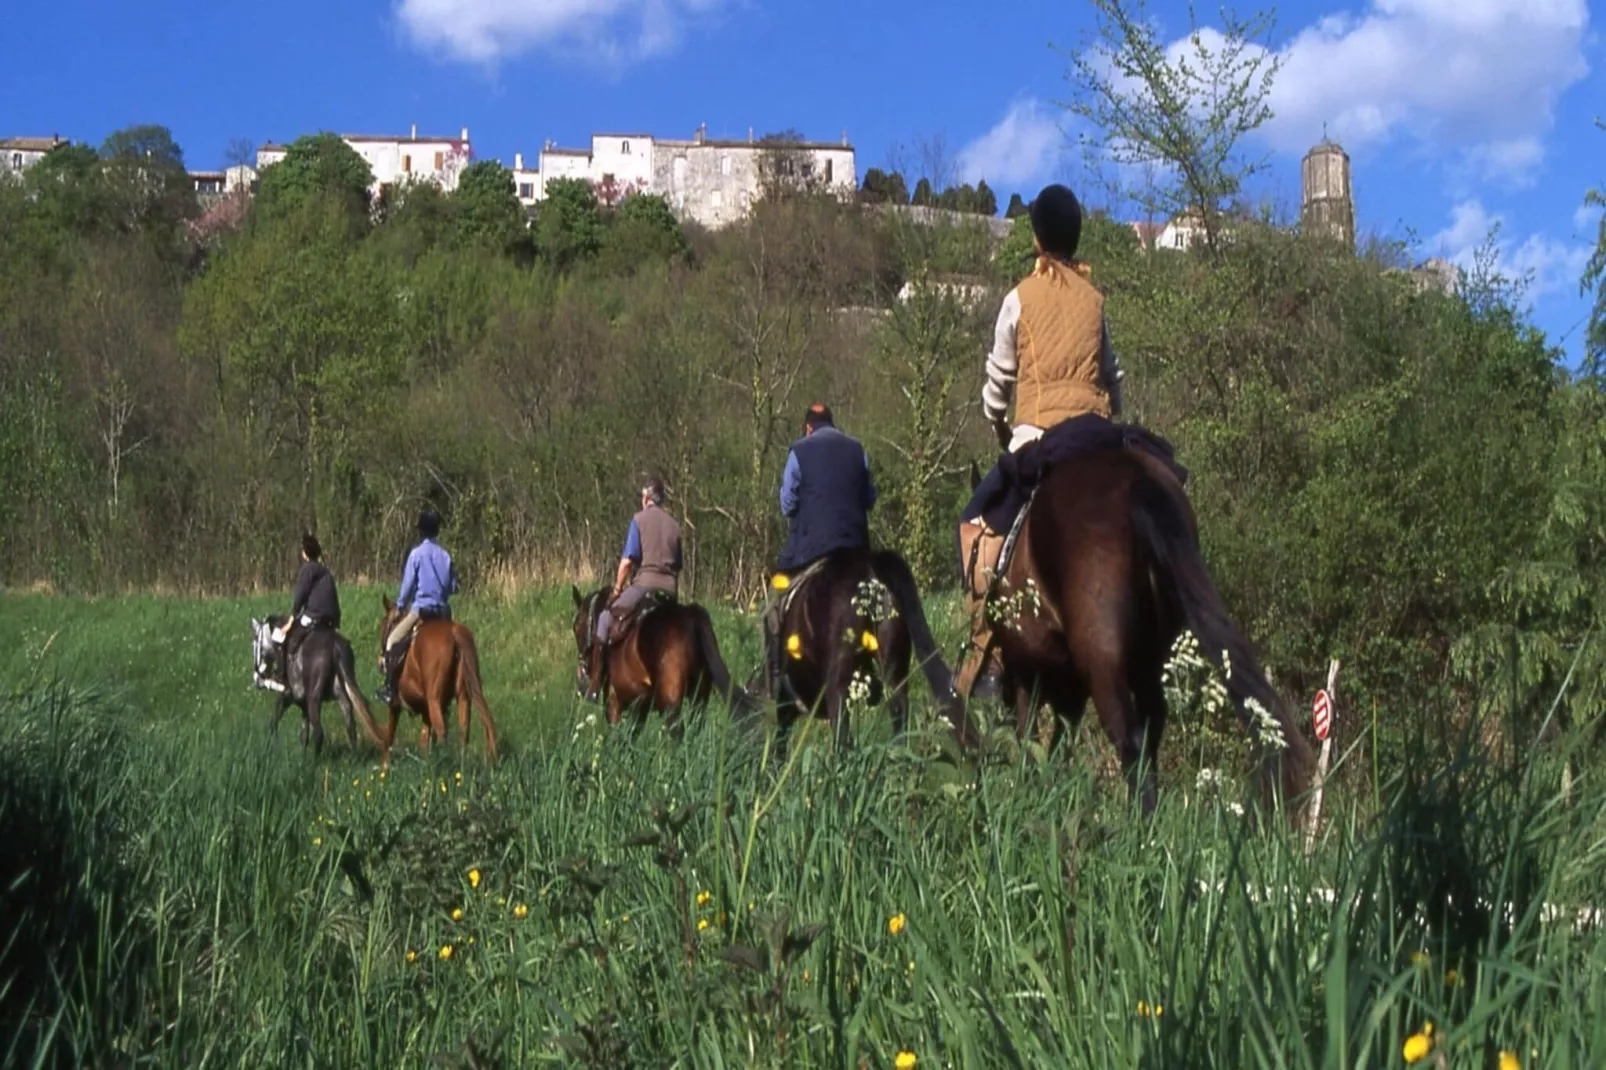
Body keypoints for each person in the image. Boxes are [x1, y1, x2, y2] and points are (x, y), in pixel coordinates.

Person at [953, 183, 1126, 701]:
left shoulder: (1019, 297)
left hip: (1038, 437)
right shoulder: (1096, 302)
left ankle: (991, 657)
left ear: (1036, 238)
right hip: (1098, 439)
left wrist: (997, 423)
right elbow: (1114, 379)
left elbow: (997, 380)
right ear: (1075, 239)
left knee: (975, 528)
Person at [763, 402, 877, 693]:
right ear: (833, 424)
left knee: (774, 607)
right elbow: (869, 498)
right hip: (855, 552)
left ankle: (775, 675)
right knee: (876, 602)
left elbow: (787, 504)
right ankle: (874, 667)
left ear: (808, 427)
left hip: (811, 550)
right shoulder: (857, 449)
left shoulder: (798, 451)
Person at [375, 509, 459, 706]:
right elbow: (453, 586)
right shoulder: (446, 556)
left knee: (392, 641)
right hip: (444, 613)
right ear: (437, 531)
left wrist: (400, 605)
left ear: (421, 531)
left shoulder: (416, 554)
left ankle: (390, 689)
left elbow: (407, 586)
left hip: (421, 610)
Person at [595, 475, 683, 649]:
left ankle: (596, 673)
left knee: (605, 618)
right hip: (670, 592)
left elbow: (627, 562)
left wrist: (617, 589)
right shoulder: (675, 526)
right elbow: (678, 566)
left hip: (644, 587)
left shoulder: (638, 520)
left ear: (646, 498)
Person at [270, 533, 342, 666]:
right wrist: (337, 624)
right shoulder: (326, 571)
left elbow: (300, 597)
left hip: (313, 617)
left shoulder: (307, 570)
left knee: (281, 638)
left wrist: (290, 621)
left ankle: (281, 673)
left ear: (305, 554)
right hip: (330, 622)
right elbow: (334, 600)